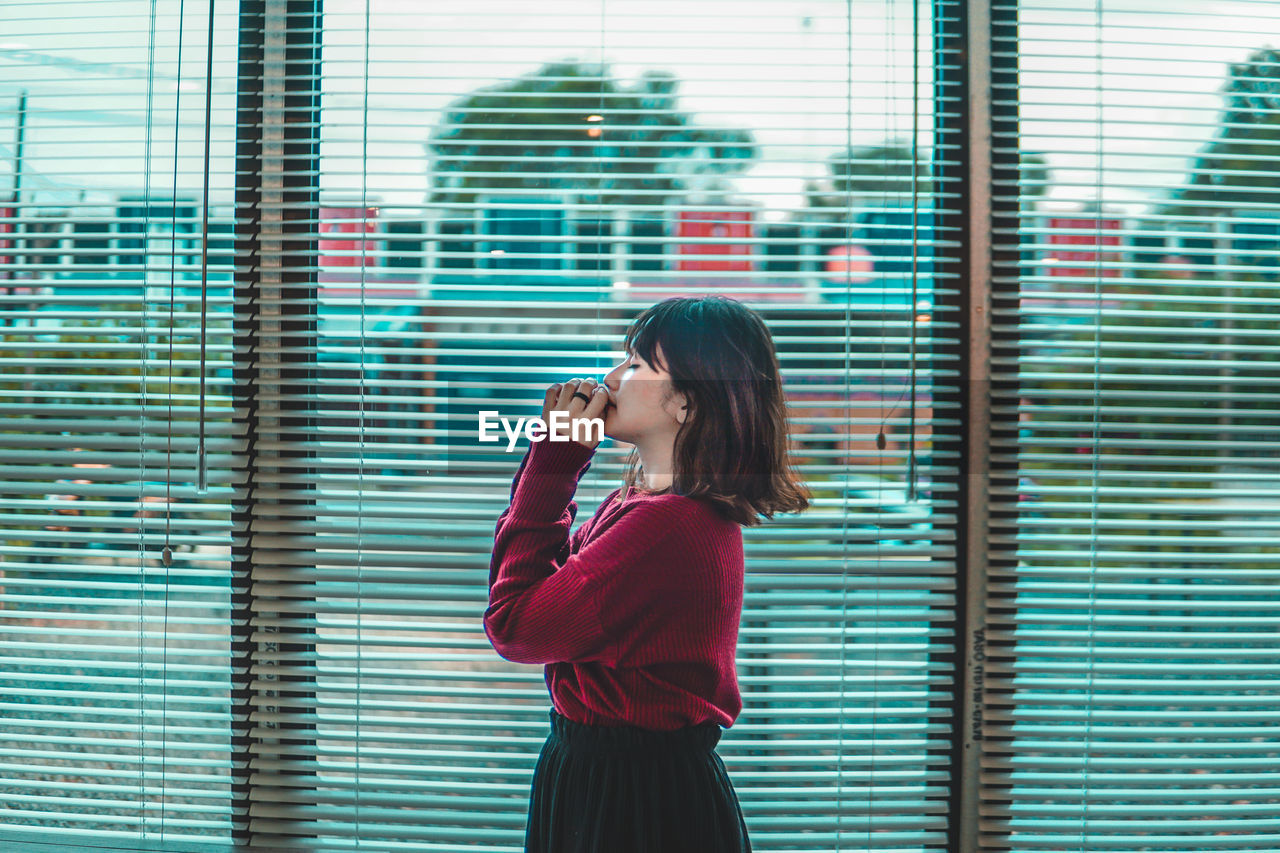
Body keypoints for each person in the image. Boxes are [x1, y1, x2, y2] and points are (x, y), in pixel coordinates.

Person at [485, 295, 811, 853]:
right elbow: (544, 596)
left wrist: (556, 460)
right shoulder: (640, 504)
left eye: (635, 364)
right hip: (609, 776)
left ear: (686, 402)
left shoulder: (670, 527)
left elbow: (515, 626)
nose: (610, 377)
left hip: (633, 795)